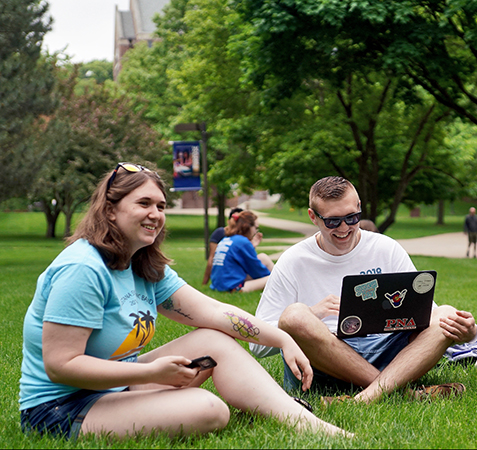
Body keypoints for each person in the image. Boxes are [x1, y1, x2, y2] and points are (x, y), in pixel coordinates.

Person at [18, 163, 349, 439]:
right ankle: (294, 417)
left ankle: (305, 423)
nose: (155, 214)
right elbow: (61, 366)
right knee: (208, 409)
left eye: (161, 206)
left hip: (117, 385)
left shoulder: (142, 264)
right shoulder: (83, 269)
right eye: (144, 204)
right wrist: (150, 373)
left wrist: (282, 338)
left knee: (212, 338)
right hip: (61, 409)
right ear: (110, 210)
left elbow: (215, 312)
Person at [250, 176, 477, 404]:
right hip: (322, 362)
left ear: (359, 208)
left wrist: (467, 333)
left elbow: (426, 314)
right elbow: (256, 345)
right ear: (313, 217)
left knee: (445, 314)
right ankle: (399, 392)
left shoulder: (385, 248)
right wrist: (313, 313)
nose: (344, 228)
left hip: (387, 351)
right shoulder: (293, 260)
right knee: (295, 315)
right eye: (333, 221)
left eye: (352, 218)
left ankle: (364, 398)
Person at [209, 210, 274, 293]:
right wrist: (268, 276)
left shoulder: (228, 239)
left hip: (219, 285)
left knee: (263, 257)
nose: (256, 231)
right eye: (255, 228)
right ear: (248, 226)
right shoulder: (242, 242)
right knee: (274, 278)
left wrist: (252, 246)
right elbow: (257, 270)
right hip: (232, 288)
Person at [202, 207, 243, 285]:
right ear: (228, 221)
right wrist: (204, 283)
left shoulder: (243, 237)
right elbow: (212, 259)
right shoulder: (220, 233)